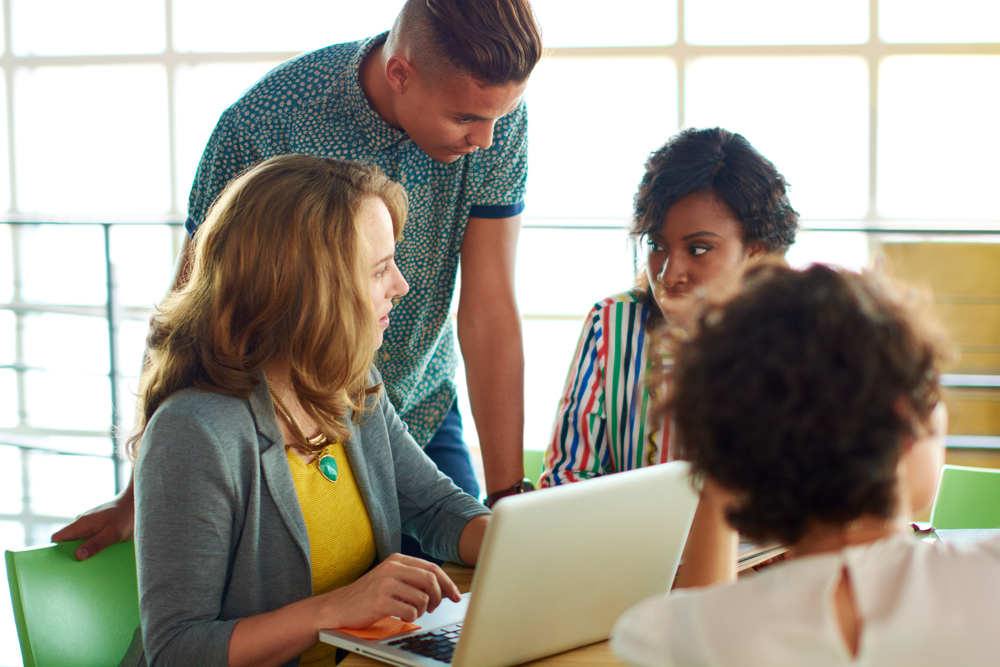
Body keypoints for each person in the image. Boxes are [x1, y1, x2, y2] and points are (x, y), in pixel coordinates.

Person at [54, 0, 543, 561]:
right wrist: (147, 485)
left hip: (410, 403)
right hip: (281, 421)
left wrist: (509, 501)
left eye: (500, 118)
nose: (486, 139)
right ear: (400, 73)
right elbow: (193, 305)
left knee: (473, 592)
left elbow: (489, 310)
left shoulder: (491, 115)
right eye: (466, 120)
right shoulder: (264, 124)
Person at [127, 155, 491, 667]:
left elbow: (436, 510)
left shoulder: (350, 383)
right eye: (380, 269)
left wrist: (525, 545)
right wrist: (336, 608)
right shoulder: (194, 433)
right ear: (310, 290)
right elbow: (178, 651)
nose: (401, 286)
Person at [612, 264, 1000, 667]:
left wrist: (723, 463)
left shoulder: (677, 634)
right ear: (905, 421)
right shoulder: (989, 578)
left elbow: (690, 618)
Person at [539, 127, 799, 487]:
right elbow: (564, 478)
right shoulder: (612, 323)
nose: (668, 273)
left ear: (754, 250)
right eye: (657, 245)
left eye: (698, 249)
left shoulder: (800, 337)